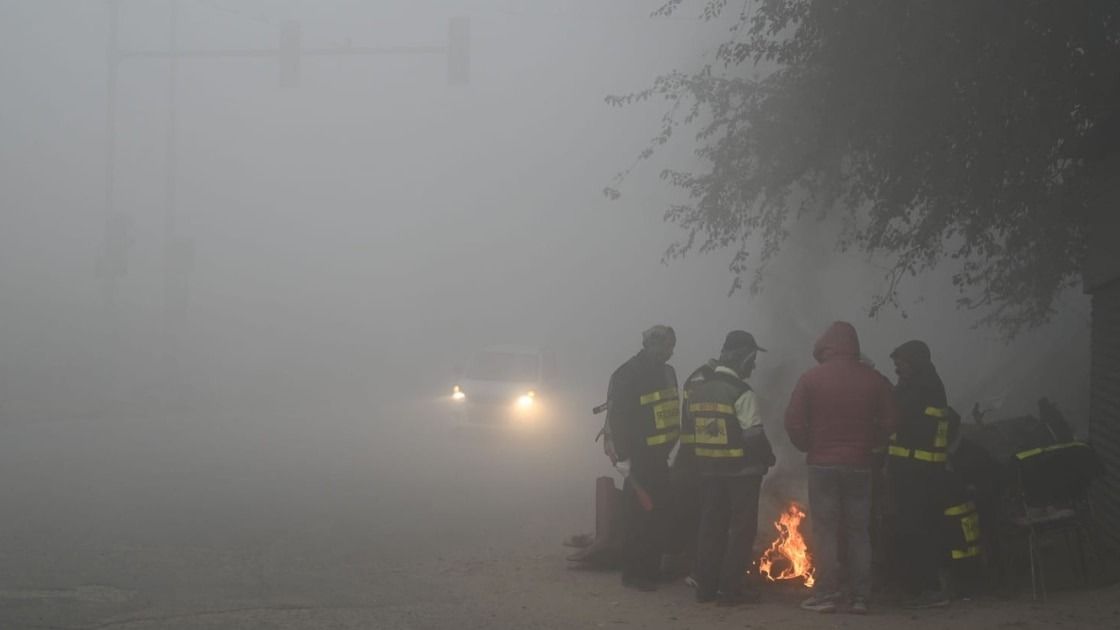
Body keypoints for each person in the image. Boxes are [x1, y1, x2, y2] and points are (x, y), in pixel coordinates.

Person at [784, 322, 898, 614]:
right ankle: (860, 597)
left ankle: (827, 594)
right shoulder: (873, 379)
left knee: (826, 531)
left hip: (822, 465)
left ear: (825, 347)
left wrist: (809, 445)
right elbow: (891, 422)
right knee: (859, 531)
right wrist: (871, 445)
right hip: (861, 464)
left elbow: (793, 422)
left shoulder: (810, 379)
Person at [689, 331, 776, 605]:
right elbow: (753, 436)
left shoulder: (699, 390)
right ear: (742, 358)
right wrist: (769, 458)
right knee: (741, 531)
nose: (754, 366)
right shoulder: (742, 392)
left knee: (710, 527)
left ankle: (705, 588)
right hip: (742, 474)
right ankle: (729, 590)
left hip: (708, 472)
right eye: (752, 359)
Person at [602, 325, 681, 591]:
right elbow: (618, 419)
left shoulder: (668, 373)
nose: (669, 352)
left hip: (661, 457)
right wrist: (624, 458)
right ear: (649, 345)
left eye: (671, 347)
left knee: (660, 514)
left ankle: (651, 568)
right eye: (665, 346)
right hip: (639, 458)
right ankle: (634, 572)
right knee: (638, 517)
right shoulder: (627, 374)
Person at [887, 340, 958, 608]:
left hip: (920, 473)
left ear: (916, 362)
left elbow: (898, 415)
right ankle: (922, 586)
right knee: (916, 527)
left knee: (923, 529)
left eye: (902, 364)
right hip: (916, 470)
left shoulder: (923, 388)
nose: (898, 370)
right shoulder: (919, 385)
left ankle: (932, 588)